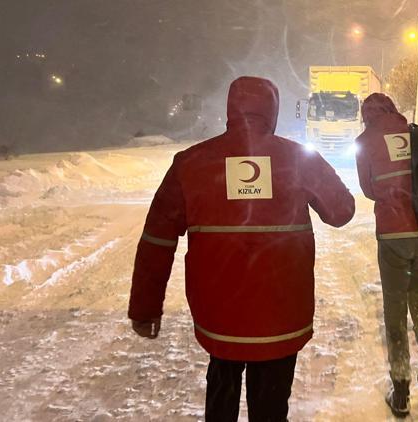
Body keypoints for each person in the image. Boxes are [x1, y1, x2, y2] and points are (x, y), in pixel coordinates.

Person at [128, 76, 355, 422]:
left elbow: (157, 240)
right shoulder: (297, 158)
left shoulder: (190, 163)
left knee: (221, 391)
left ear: (230, 111)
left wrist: (145, 308)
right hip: (281, 319)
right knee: (271, 409)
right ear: (273, 111)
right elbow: (342, 212)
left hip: (220, 319)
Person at [354, 93, 418, 418]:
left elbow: (368, 189)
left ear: (367, 116)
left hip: (392, 233)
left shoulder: (365, 141)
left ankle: (401, 390)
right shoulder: (414, 133)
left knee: (394, 307)